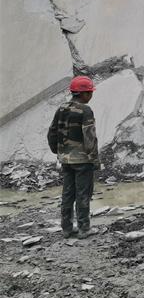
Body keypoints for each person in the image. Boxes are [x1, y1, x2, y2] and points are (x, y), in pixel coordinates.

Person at [47, 76, 100, 239]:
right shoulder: (85, 110)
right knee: (83, 194)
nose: (91, 95)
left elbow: (52, 132)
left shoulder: (61, 108)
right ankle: (84, 229)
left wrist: (58, 151)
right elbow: (89, 137)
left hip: (66, 160)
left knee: (68, 194)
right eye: (90, 92)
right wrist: (94, 159)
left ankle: (67, 228)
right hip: (83, 160)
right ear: (83, 94)